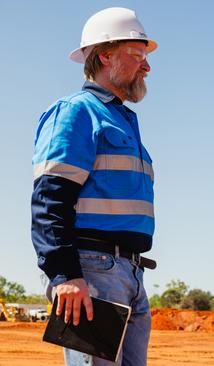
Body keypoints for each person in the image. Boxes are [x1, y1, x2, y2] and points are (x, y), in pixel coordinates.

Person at [31, 7, 157, 365]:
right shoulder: (77, 112)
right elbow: (49, 199)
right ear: (105, 55)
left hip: (130, 272)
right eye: (138, 55)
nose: (147, 66)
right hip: (92, 270)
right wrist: (65, 273)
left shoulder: (123, 120)